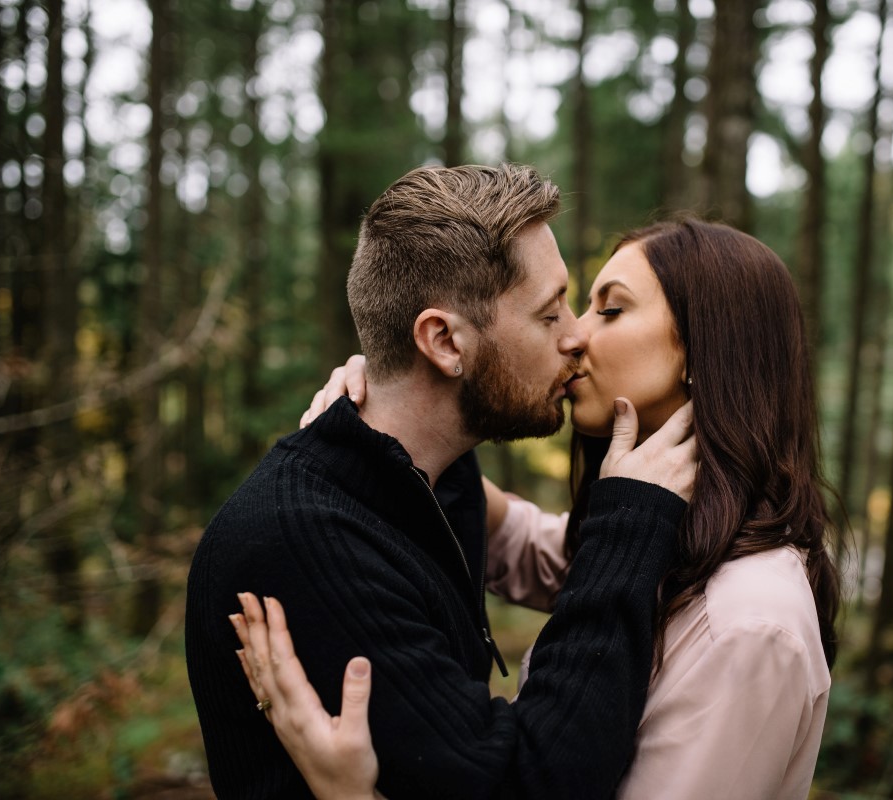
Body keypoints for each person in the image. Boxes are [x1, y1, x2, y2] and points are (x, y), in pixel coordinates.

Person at [236, 218, 843, 799]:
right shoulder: (679, 538)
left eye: (610, 309)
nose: (576, 334)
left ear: (702, 348)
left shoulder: (748, 624)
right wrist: (400, 408)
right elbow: (548, 553)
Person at [186, 164, 698, 800]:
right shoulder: (304, 542)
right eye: (548, 314)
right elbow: (528, 784)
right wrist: (632, 524)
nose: (576, 337)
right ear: (443, 341)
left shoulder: (434, 480)